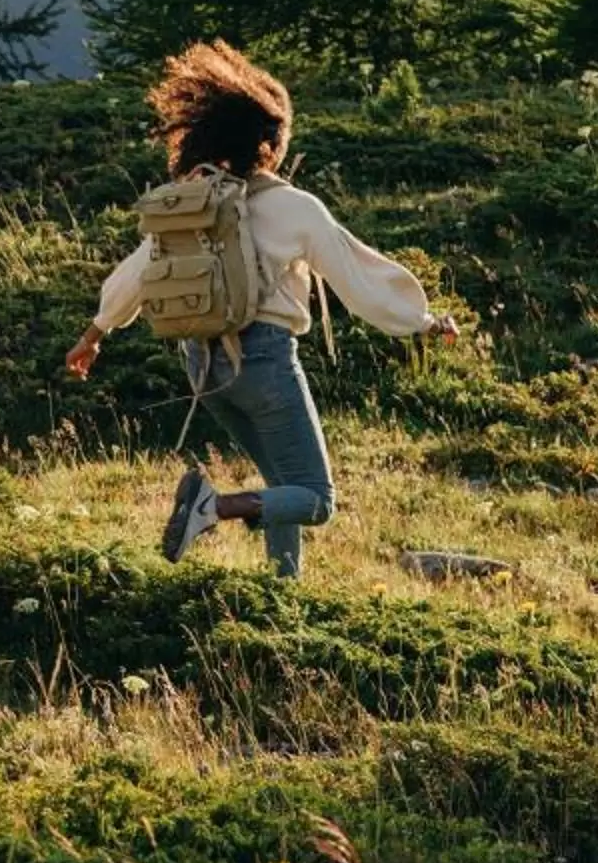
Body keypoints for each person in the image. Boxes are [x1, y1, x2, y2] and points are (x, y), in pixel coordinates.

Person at [62, 41, 456, 577]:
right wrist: (423, 322)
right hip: (264, 361)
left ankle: (281, 592)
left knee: (280, 485)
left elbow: (137, 273)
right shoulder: (294, 207)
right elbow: (359, 279)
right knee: (316, 498)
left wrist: (94, 335)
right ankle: (211, 507)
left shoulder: (192, 202)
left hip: (202, 367)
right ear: (271, 143)